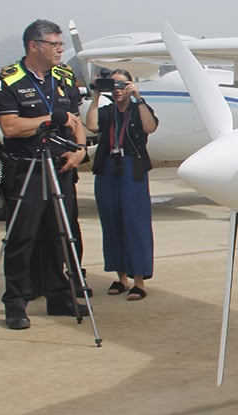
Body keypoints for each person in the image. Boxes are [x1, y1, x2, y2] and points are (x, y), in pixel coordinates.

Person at [0, 19, 88, 330]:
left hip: (61, 168)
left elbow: (76, 122)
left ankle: (59, 295)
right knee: (23, 238)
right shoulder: (9, 79)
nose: (61, 49)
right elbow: (10, 127)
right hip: (27, 169)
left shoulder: (64, 76)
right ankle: (16, 303)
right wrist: (50, 119)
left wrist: (80, 150)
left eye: (62, 43)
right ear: (34, 46)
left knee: (61, 234)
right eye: (54, 44)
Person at [85, 69, 158, 301]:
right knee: (112, 221)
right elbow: (92, 126)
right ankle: (121, 276)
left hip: (132, 168)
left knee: (135, 222)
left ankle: (139, 280)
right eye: (113, 85)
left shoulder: (139, 110)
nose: (117, 90)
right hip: (108, 167)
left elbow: (150, 128)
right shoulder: (106, 112)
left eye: (122, 84)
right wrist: (96, 94)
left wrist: (139, 97)